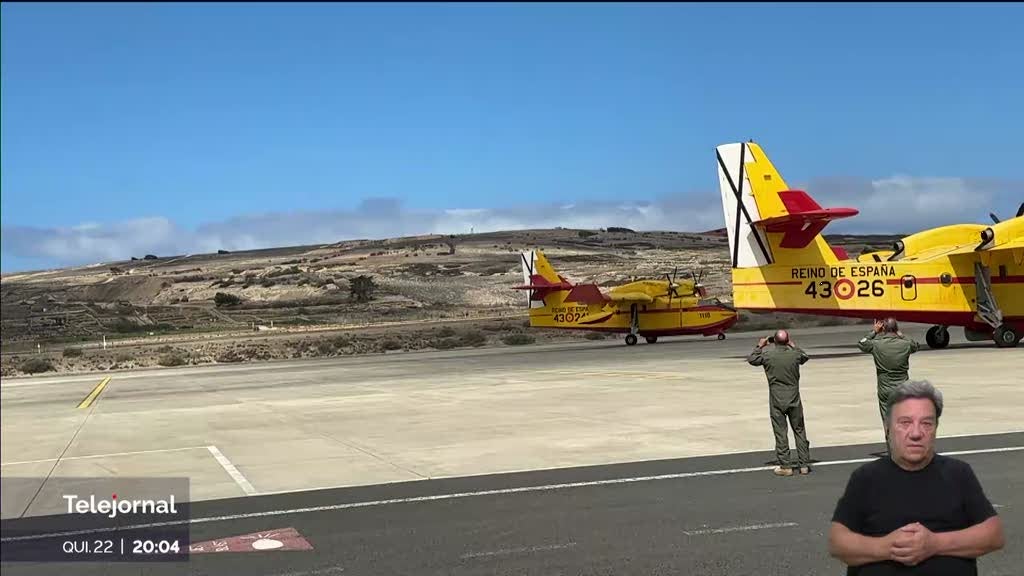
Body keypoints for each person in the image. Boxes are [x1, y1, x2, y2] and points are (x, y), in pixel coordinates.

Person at [829, 380, 1004, 575]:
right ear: (888, 428)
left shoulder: (958, 474)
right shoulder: (866, 478)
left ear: (936, 428)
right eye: (905, 423)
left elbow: (993, 534)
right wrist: (888, 547)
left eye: (926, 423)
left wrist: (935, 544)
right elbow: (838, 542)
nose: (915, 433)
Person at [747, 329, 811, 476]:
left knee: (781, 432)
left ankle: (786, 465)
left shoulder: (768, 355)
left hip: (777, 399)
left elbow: (752, 359)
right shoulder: (795, 354)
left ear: (774, 341)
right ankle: (803, 465)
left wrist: (760, 346)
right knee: (799, 430)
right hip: (794, 398)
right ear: (787, 340)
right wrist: (793, 345)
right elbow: (805, 357)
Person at [858, 317, 921, 443]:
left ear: (883, 329)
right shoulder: (905, 344)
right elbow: (915, 345)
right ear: (896, 328)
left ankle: (892, 448)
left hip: (885, 389)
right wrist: (900, 334)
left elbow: (862, 343)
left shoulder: (877, 345)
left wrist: (874, 332)